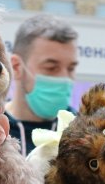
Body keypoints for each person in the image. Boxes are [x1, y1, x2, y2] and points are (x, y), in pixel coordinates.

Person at [5, 14, 78, 156]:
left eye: (71, 69)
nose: (65, 78)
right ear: (17, 67)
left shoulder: (84, 131)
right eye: (51, 68)